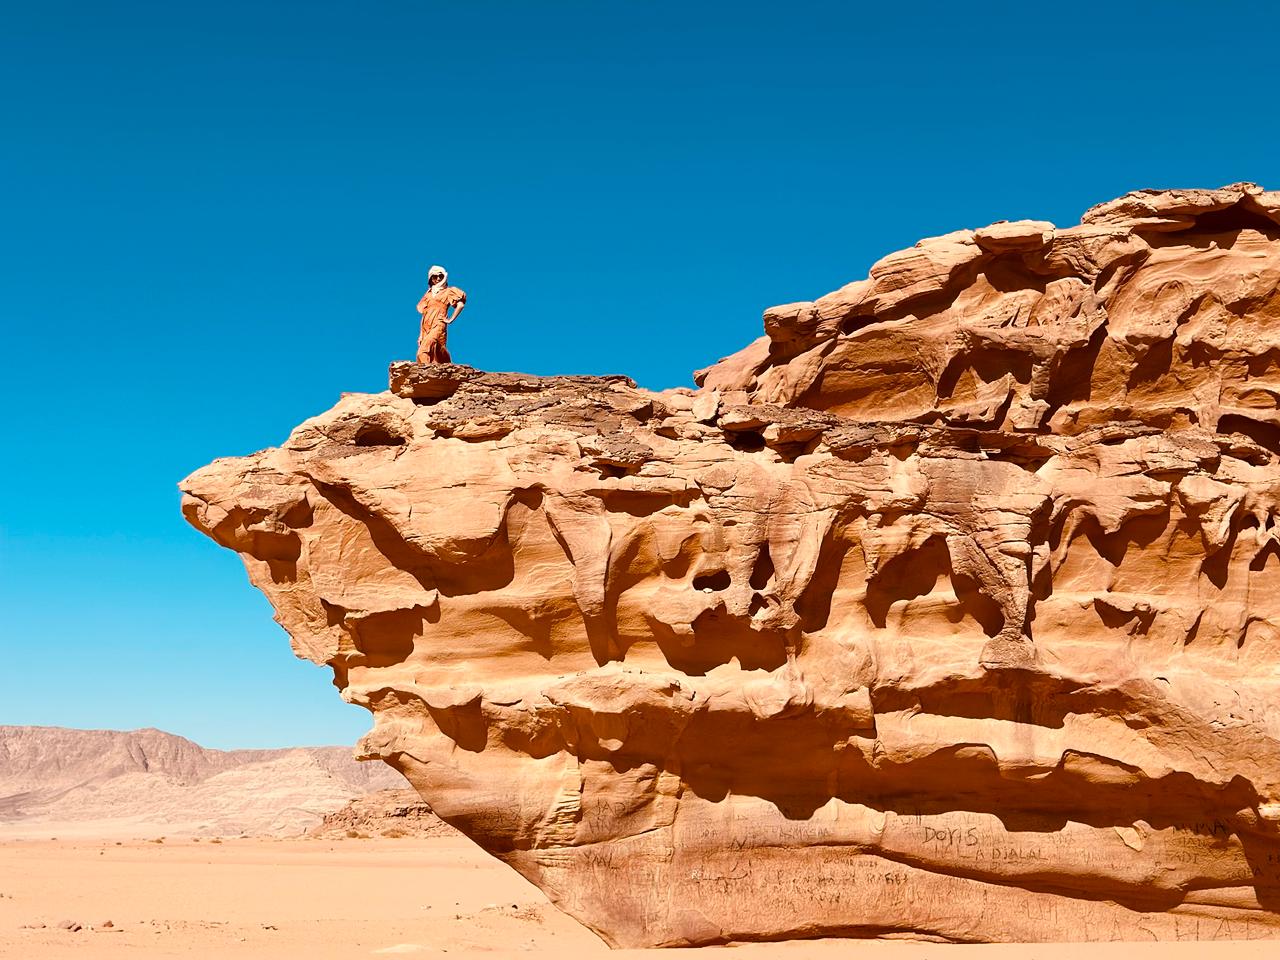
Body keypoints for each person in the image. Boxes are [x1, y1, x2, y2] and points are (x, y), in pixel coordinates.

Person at [415, 265, 467, 364]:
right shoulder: (428, 295)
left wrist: (450, 319)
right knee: (435, 352)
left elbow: (460, 305)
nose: (438, 278)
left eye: (441, 276)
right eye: (435, 276)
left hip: (439, 323)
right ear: (431, 279)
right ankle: (442, 370)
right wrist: (421, 335)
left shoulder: (448, 291)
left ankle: (425, 373)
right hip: (426, 325)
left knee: (423, 351)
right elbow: (424, 315)